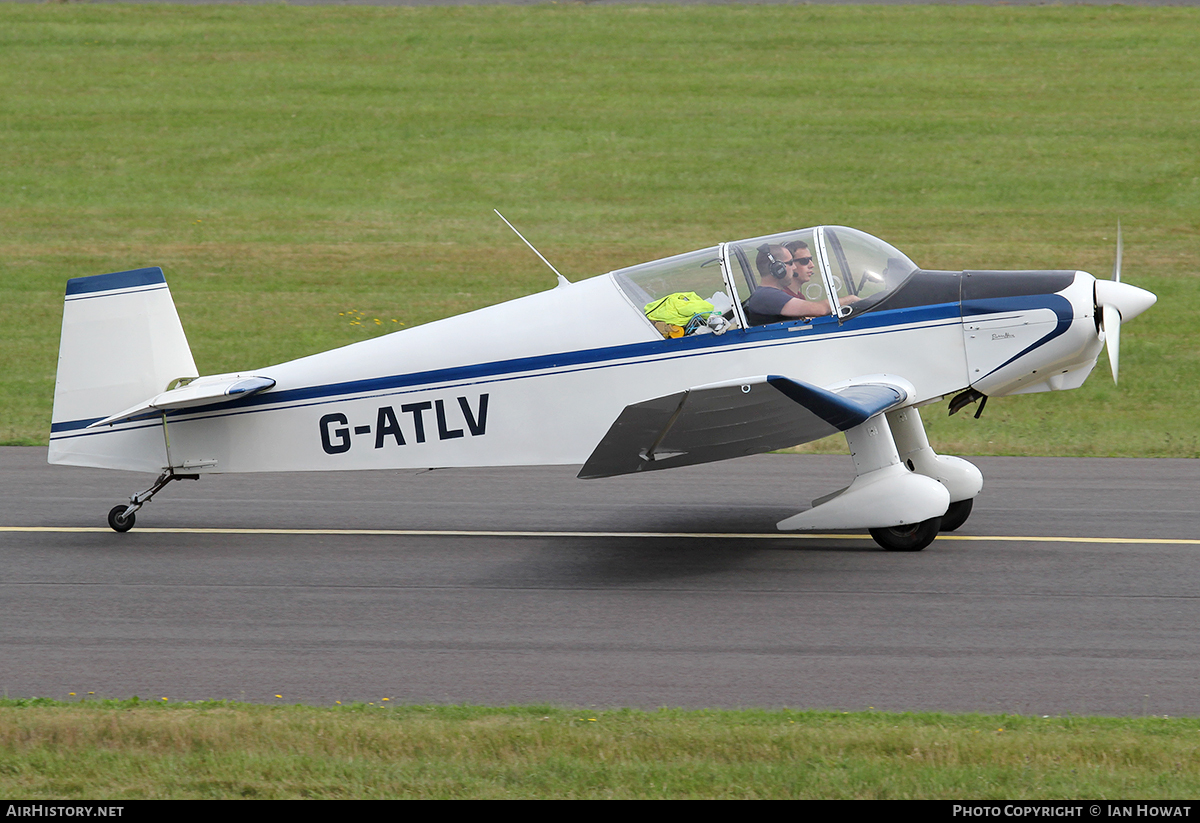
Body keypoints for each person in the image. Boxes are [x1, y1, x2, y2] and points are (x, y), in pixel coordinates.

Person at [744, 242, 859, 326]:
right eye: (790, 263)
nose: (794, 267)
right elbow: (821, 309)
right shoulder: (767, 296)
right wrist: (851, 299)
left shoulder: (768, 295)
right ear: (778, 268)